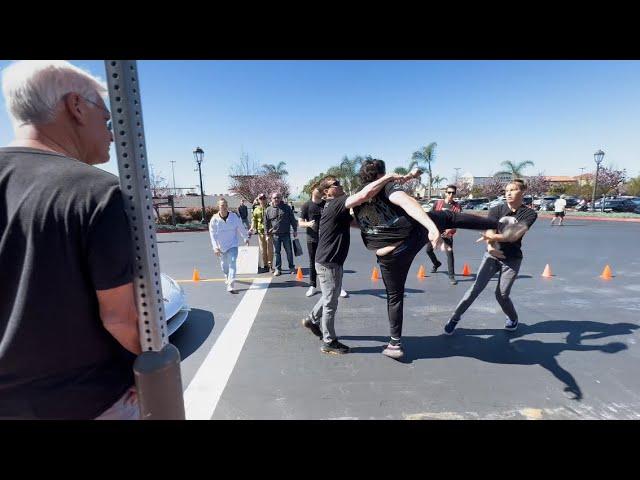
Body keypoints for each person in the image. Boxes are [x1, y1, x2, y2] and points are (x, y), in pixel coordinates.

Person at [0, 60, 141, 419]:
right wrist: (154, 366)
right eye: (107, 121)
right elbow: (120, 318)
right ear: (76, 106)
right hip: (88, 400)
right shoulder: (96, 191)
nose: (111, 133)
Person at [352, 159, 517, 360]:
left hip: (385, 256)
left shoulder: (358, 196)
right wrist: (431, 227)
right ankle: (500, 225)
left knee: (394, 297)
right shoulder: (387, 186)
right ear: (382, 174)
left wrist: (409, 177)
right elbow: (406, 201)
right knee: (447, 216)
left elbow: (360, 221)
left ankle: (395, 343)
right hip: (407, 240)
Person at [301, 173, 407, 354]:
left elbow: (356, 223)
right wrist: (387, 178)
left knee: (330, 295)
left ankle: (312, 319)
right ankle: (329, 341)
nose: (340, 185)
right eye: (336, 184)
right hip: (329, 261)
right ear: (327, 192)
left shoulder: (336, 208)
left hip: (331, 260)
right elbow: (364, 194)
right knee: (330, 302)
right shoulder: (335, 203)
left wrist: (384, 227)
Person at [444, 179, 537, 335]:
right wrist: (489, 246)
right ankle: (454, 318)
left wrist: (491, 238)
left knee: (502, 294)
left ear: (522, 192)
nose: (508, 193)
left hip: (512, 258)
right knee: (475, 289)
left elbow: (514, 235)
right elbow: (489, 231)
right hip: (492, 255)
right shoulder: (496, 210)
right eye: (507, 190)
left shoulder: (529, 213)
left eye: (513, 190)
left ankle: (512, 318)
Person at [209, 198, 249, 293]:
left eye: (225, 205)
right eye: (222, 205)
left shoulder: (234, 216)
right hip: (221, 247)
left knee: (232, 263)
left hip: (232, 245)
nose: (224, 207)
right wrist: (215, 247)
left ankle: (231, 284)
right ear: (218, 207)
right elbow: (212, 234)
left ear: (227, 206)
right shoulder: (214, 219)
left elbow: (240, 227)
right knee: (224, 265)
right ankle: (226, 275)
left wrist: (245, 237)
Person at [425, 184, 462, 285]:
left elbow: (458, 222)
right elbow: (430, 217)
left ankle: (451, 276)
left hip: (447, 234)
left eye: (453, 193)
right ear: (445, 193)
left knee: (449, 253)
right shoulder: (438, 203)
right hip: (436, 232)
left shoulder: (457, 206)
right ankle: (436, 263)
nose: (450, 194)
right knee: (428, 250)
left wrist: (450, 230)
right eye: (449, 192)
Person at [265, 191, 298, 276]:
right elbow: (266, 223)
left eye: (278, 197)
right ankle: (278, 269)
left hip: (286, 234)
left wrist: (295, 230)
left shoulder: (287, 208)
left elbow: (292, 220)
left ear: (281, 198)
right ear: (271, 199)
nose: (276, 199)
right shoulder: (268, 210)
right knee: (277, 253)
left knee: (289, 252)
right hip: (275, 235)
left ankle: (291, 267)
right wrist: (267, 234)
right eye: (274, 198)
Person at [250, 193, 273, 273]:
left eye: (264, 198)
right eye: (261, 198)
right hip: (261, 232)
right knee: (263, 250)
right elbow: (254, 220)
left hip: (269, 232)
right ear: (258, 200)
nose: (262, 200)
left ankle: (270, 265)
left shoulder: (270, 208)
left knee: (269, 249)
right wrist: (252, 228)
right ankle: (265, 265)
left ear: (266, 199)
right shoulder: (256, 209)